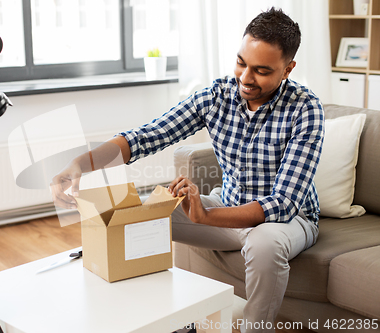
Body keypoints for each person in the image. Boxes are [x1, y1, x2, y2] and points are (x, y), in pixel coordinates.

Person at [51, 7, 324, 333]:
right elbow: (146, 137)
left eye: (261, 71)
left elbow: (283, 203)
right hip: (228, 205)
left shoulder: (305, 109)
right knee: (132, 217)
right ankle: (161, 320)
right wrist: (79, 165)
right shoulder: (218, 96)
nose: (245, 78)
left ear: (287, 69)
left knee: (264, 244)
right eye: (241, 63)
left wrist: (207, 217)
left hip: (288, 221)